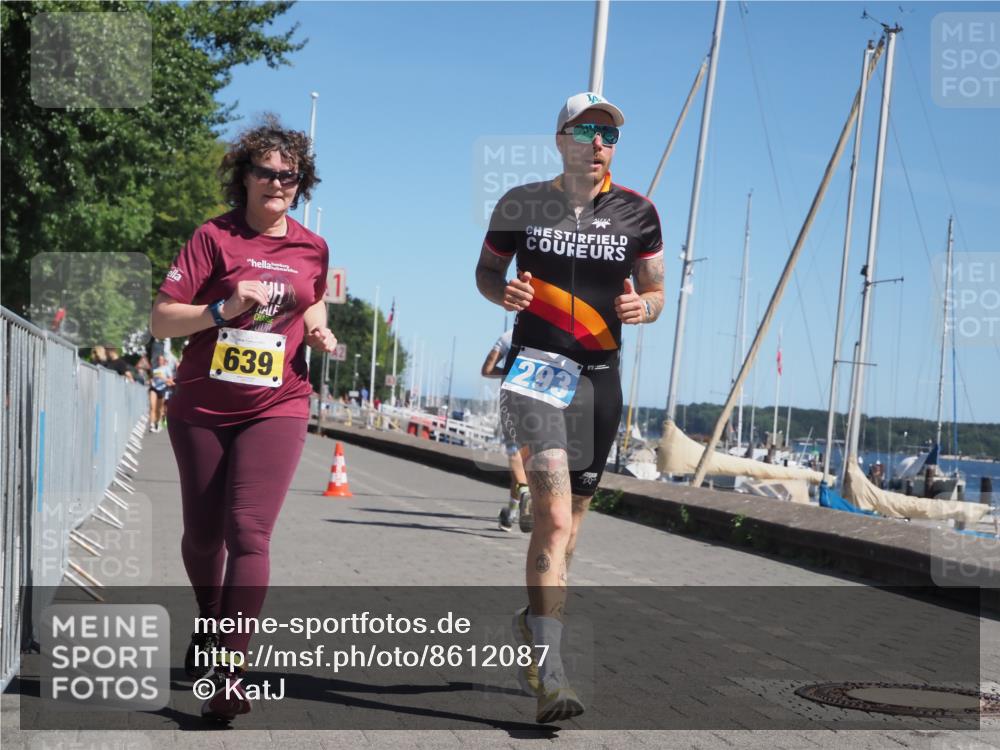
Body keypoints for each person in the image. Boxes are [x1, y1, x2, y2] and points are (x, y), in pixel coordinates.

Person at [475, 92, 665, 723]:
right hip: (535, 373)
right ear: (561, 140)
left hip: (599, 381)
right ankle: (552, 673)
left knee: (574, 522)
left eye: (609, 135)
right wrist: (503, 292)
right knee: (553, 517)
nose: (599, 143)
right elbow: (485, 272)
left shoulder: (640, 212)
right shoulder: (521, 203)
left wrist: (645, 307)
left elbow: (656, 290)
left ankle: (535, 623)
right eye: (586, 132)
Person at [149, 114, 337, 722]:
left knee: (249, 534)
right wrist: (221, 310)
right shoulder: (214, 237)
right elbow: (161, 319)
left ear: (301, 184)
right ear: (245, 176)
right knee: (204, 535)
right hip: (203, 405)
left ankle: (229, 673)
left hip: (278, 403)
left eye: (290, 175)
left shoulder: (312, 246)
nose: (277, 183)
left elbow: (312, 301)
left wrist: (319, 330)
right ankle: (211, 620)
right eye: (266, 172)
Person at [480, 328, 532, 532]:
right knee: (524, 463)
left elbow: (487, 370)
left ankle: (525, 493)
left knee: (514, 453)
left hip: (511, 401)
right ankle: (511, 514)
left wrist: (510, 373)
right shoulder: (546, 335)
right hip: (540, 404)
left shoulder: (507, 337)